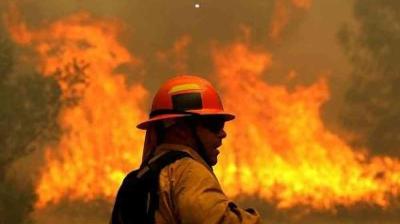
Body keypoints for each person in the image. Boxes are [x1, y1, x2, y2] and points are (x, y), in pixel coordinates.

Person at [121, 75, 261, 223]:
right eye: (214, 124)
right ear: (181, 129)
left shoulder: (136, 180)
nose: (222, 133)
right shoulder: (189, 173)